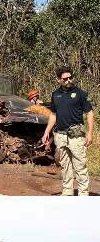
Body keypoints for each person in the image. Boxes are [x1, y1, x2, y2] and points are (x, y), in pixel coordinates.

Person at [42, 66, 95, 196]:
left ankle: (83, 194)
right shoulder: (55, 94)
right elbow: (53, 115)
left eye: (70, 77)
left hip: (76, 136)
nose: (69, 80)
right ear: (59, 80)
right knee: (65, 166)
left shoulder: (80, 93)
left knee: (80, 167)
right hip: (61, 136)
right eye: (65, 79)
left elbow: (89, 113)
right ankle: (67, 193)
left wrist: (89, 133)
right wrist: (46, 132)